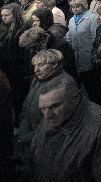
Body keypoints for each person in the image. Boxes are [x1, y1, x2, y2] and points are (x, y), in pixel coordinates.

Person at [32, 74, 101, 182]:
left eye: (54, 106)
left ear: (75, 98)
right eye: (43, 109)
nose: (47, 115)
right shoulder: (53, 117)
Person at [14, 49, 69, 178]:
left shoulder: (62, 86)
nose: (36, 70)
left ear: (54, 65)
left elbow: (55, 125)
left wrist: (26, 137)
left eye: (41, 65)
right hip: (31, 141)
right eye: (35, 66)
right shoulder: (38, 79)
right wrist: (23, 131)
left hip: (48, 146)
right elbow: (25, 109)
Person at [65, 0, 97, 95]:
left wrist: (93, 51)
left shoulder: (91, 18)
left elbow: (94, 36)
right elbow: (69, 36)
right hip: (76, 53)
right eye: (73, 7)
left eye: (77, 6)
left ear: (84, 6)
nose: (75, 9)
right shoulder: (71, 20)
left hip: (88, 52)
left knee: (90, 79)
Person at [0, 3, 28, 113]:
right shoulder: (6, 28)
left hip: (16, 70)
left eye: (7, 15)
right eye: (2, 15)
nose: (3, 18)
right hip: (9, 68)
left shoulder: (20, 31)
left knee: (17, 96)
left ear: (15, 15)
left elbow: (18, 53)